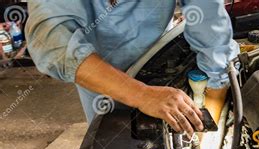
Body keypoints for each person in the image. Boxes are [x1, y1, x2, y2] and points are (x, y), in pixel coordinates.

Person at [25, 0, 239, 136]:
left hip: (158, 57)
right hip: (97, 77)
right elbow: (55, 45)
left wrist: (214, 94)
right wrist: (142, 95)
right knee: (114, 146)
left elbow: (210, 26)